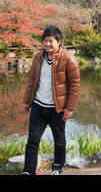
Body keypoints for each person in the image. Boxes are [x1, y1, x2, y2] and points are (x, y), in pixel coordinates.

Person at [22, 26, 81, 175]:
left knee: (59, 140)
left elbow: (75, 85)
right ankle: (29, 171)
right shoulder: (38, 57)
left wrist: (69, 108)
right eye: (45, 41)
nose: (47, 44)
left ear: (59, 41)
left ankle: (57, 167)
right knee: (32, 140)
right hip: (38, 106)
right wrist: (27, 101)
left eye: (50, 41)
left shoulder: (68, 59)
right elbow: (31, 81)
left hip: (58, 108)